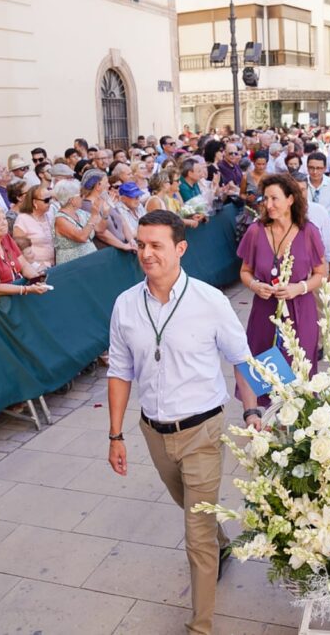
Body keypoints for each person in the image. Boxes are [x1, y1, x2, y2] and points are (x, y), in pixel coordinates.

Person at [106, 210, 259, 635]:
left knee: (195, 536)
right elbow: (119, 370)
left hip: (203, 431)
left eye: (156, 245)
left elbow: (241, 361)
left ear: (180, 248)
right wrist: (115, 434)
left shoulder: (210, 302)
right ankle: (223, 543)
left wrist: (251, 411)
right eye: (140, 244)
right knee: (194, 510)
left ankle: (201, 626)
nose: (146, 253)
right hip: (153, 433)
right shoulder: (125, 305)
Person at [238, 174, 326, 401]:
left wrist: (300, 287)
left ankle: (298, 428)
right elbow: (244, 272)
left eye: (274, 199)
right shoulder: (256, 231)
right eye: (265, 199)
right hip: (264, 313)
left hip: (300, 313)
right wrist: (255, 285)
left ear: (290, 200)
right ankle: (265, 426)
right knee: (264, 375)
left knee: (299, 375)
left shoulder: (309, 232)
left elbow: (321, 273)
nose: (268, 205)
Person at [0, 204, 49, 297]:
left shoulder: (5, 237)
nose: (4, 223)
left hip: (16, 295)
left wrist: (37, 280)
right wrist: (26, 289)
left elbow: (24, 265)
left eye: (4, 218)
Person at [52, 179, 99, 264]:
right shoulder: (61, 219)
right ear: (71, 200)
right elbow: (82, 237)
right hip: (73, 265)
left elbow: (100, 229)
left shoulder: (81, 212)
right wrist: (94, 216)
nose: (83, 197)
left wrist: (105, 212)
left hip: (90, 261)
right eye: (80, 195)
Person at [13, 185, 55, 269]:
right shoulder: (22, 220)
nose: (50, 202)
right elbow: (19, 250)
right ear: (34, 202)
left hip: (54, 265)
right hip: (37, 269)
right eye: (46, 200)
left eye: (50, 198)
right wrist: (36, 266)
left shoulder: (50, 213)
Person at [304, 152, 330, 220]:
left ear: (325, 168)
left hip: (327, 227)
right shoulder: (301, 184)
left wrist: (329, 213)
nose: (315, 172)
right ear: (307, 167)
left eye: (319, 168)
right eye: (311, 168)